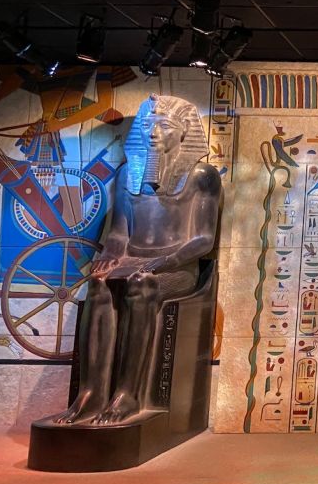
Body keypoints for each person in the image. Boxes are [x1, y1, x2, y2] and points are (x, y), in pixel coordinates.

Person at [53, 94, 222, 426]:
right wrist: (110, 255)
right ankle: (91, 393)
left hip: (179, 268)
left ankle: (128, 394)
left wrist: (165, 261)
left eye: (163, 126)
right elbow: (119, 232)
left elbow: (203, 239)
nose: (153, 134)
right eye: (148, 127)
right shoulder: (126, 174)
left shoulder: (202, 175)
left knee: (141, 286)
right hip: (133, 259)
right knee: (98, 285)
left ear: (184, 132)